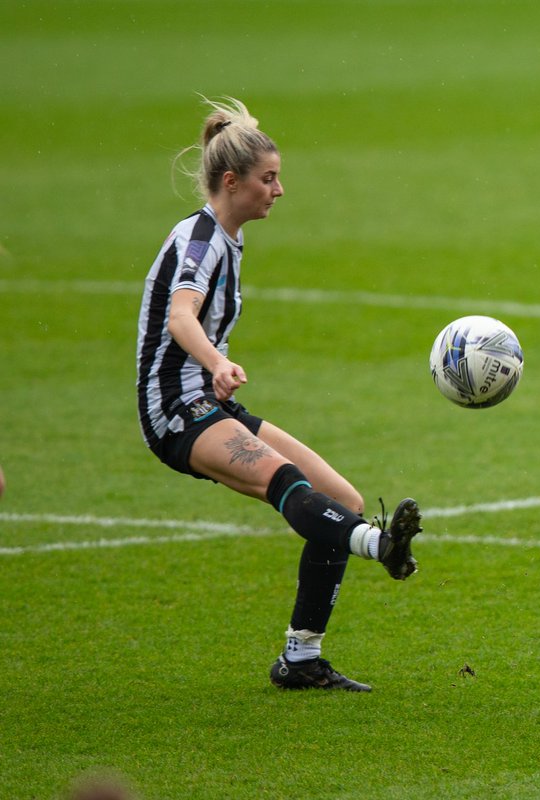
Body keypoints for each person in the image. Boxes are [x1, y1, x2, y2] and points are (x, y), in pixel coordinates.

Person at [136, 97, 422, 692]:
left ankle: (301, 658)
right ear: (231, 182)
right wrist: (217, 362)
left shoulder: (226, 237)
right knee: (284, 480)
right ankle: (379, 546)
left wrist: (215, 373)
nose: (279, 190)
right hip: (175, 407)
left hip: (209, 402)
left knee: (340, 496)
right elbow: (181, 317)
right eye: (268, 179)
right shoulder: (200, 240)